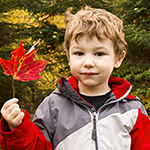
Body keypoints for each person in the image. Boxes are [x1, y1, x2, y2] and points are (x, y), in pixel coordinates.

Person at [0, 5, 150, 150]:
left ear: (118, 58)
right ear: (69, 57)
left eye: (99, 54)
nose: (88, 63)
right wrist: (18, 129)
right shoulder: (53, 107)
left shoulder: (132, 110)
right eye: (79, 53)